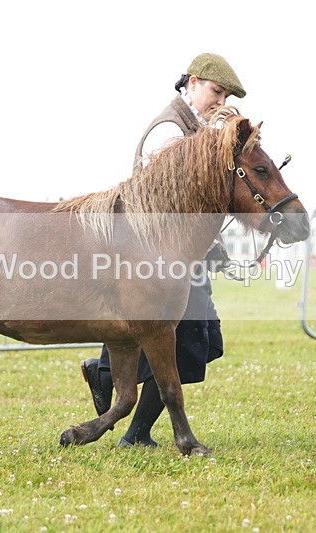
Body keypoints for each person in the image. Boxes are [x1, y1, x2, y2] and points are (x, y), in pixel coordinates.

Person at [80, 52, 246, 447]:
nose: (220, 102)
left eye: (225, 96)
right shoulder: (170, 130)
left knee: (198, 343)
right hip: (158, 261)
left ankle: (103, 373)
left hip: (180, 258)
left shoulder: (202, 129)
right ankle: (135, 431)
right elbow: (167, 203)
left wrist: (213, 247)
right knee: (188, 346)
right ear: (191, 83)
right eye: (215, 91)